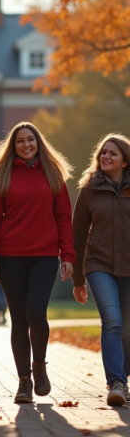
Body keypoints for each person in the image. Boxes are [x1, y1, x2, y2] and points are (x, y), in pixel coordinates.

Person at [0, 121, 75, 404]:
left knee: (36, 313)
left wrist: (68, 255)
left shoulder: (53, 175)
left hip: (45, 256)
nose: (26, 145)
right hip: (10, 257)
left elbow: (63, 218)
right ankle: (24, 381)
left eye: (30, 140)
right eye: (20, 141)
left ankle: (39, 367)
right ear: (13, 146)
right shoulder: (0, 176)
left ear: (38, 143)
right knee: (19, 320)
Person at [72, 133, 130, 407]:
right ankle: (116, 383)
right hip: (99, 265)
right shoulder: (89, 191)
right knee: (113, 321)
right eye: (103, 153)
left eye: (112, 154)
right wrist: (78, 278)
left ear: (125, 161)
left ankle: (122, 376)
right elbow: (78, 235)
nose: (105, 157)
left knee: (127, 329)